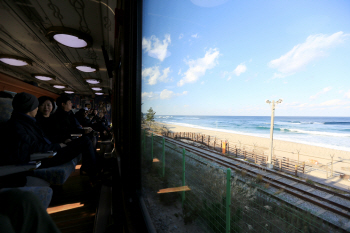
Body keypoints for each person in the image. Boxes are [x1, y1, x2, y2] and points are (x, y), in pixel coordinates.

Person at [0, 92, 98, 179]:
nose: (38, 109)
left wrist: (62, 142)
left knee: (85, 140)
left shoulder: (28, 122)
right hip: (43, 158)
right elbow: (31, 147)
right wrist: (57, 146)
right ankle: (95, 174)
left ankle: (95, 169)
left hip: (50, 150)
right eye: (37, 106)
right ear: (30, 108)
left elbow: (45, 138)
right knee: (85, 141)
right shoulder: (16, 125)